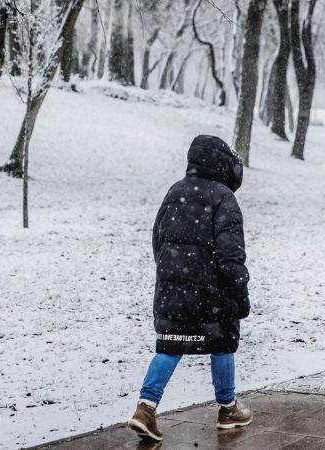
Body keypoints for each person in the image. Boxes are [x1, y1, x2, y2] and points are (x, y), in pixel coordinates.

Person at [128, 135, 252, 443]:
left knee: (170, 344)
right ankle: (227, 409)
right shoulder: (223, 197)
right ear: (223, 165)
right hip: (213, 294)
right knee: (222, 342)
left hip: (174, 289)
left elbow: (158, 238)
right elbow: (231, 255)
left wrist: (172, 274)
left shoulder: (175, 191)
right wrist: (239, 294)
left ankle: (145, 407)